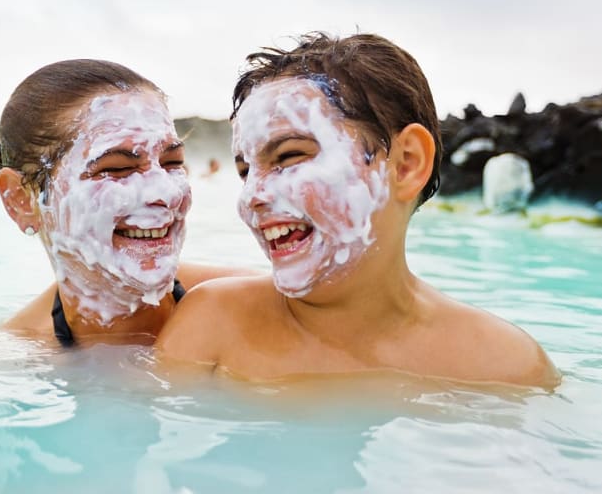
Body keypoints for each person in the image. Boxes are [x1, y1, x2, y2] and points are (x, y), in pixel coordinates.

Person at [156, 33, 560, 388]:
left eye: (290, 156)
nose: (252, 198)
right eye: (246, 171)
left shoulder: (503, 366)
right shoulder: (214, 325)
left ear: (406, 164)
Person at [0, 59, 250, 346]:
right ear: (21, 200)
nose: (165, 193)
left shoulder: (257, 309)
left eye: (172, 163)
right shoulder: (10, 357)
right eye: (116, 169)